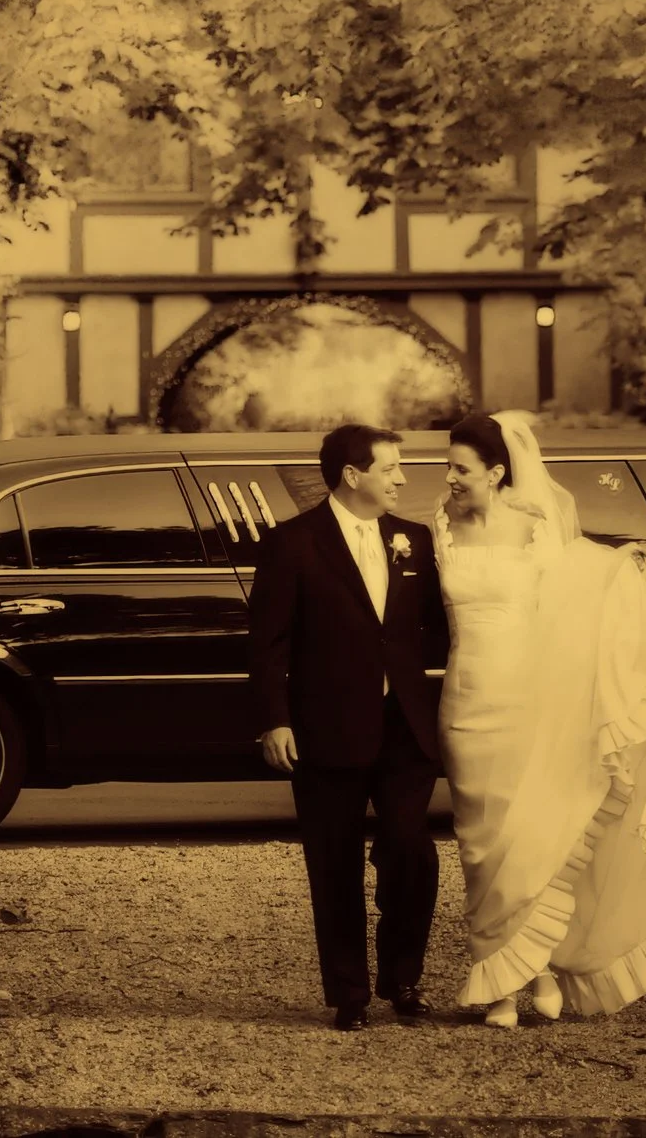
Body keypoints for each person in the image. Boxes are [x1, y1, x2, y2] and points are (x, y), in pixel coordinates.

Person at [438, 410, 646, 1027]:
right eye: (448, 466)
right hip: (465, 707)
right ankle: (504, 982)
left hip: (532, 702)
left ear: (496, 472)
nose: (449, 478)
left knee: (537, 836)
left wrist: (624, 570)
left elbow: (580, 596)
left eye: (460, 468)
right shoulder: (438, 528)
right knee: (480, 847)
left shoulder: (538, 528)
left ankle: (533, 973)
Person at [248, 422, 449, 1031]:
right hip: (323, 730)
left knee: (411, 853)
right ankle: (350, 994)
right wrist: (274, 722)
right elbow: (267, 645)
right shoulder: (292, 544)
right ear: (352, 476)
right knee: (332, 865)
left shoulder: (413, 539)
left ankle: (402, 978)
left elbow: (444, 627)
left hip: (405, 730)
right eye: (390, 468)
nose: (401, 479)